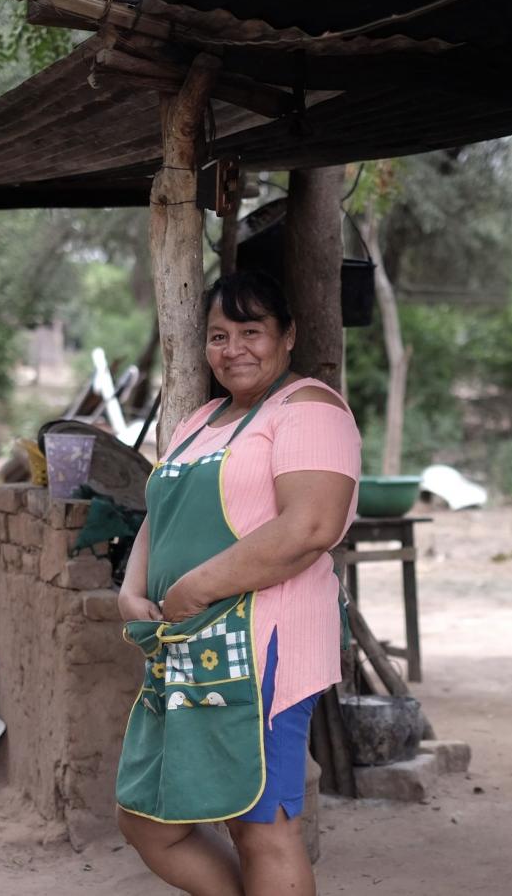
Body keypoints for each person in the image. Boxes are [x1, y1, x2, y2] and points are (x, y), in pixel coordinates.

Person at [115, 271, 360, 896]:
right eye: (219, 336)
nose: (234, 349)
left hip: (262, 648)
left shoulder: (308, 409)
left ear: (288, 336)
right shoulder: (200, 420)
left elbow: (310, 526)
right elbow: (159, 514)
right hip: (185, 649)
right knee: (146, 817)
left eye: (252, 331)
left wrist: (195, 588)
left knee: (260, 825)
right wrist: (132, 586)